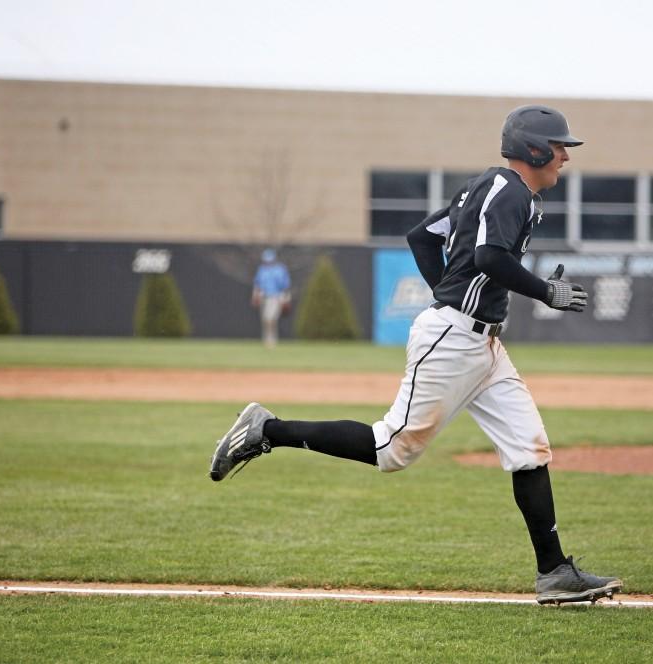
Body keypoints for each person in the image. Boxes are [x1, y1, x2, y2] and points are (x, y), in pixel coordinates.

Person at [209, 105, 622, 605]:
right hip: (452, 340)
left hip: (482, 344)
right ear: (534, 149)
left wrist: (451, 292)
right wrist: (537, 293)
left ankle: (554, 573)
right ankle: (265, 430)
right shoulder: (508, 190)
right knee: (390, 450)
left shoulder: (503, 191)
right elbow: (489, 258)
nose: (564, 156)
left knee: (529, 449)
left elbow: (422, 237)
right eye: (558, 146)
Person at [252, 248, 291, 348]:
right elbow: (257, 284)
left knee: (270, 318)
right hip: (263, 296)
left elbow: (285, 285)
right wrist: (255, 295)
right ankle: (267, 340)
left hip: (276, 297)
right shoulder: (262, 270)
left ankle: (272, 340)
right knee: (265, 319)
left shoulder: (280, 269)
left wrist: (286, 299)